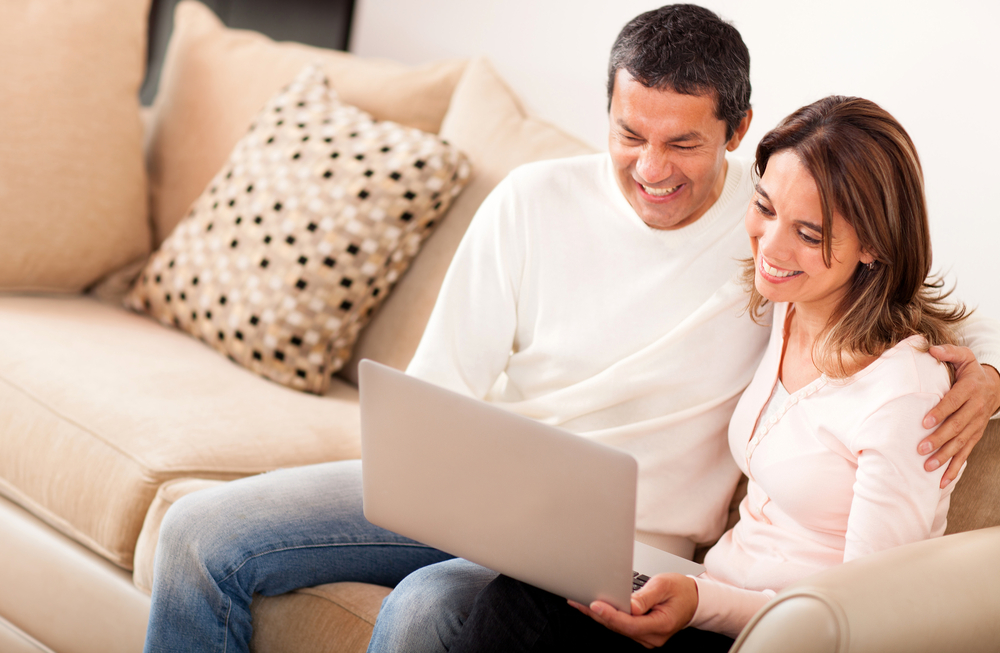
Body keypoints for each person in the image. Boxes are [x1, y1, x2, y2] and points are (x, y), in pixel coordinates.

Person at [142, 6, 1000, 653]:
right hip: (472, 491)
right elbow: (436, 394)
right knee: (198, 534)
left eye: (685, 144)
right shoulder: (539, 201)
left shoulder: (777, 231)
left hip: (619, 544)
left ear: (736, 132)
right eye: (631, 133)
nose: (652, 169)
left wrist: (988, 379)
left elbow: (882, 309)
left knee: (428, 611)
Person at [442, 94, 973, 652]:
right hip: (708, 600)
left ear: (874, 245)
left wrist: (702, 603)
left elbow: (866, 617)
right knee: (528, 584)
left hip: (776, 637)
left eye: (809, 234)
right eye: (765, 207)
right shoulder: (790, 306)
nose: (771, 246)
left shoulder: (903, 398)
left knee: (511, 607)